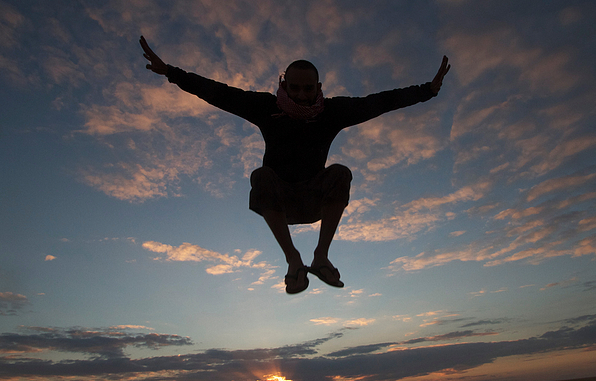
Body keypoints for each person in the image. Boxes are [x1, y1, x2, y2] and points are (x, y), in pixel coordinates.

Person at [140, 36, 450, 294]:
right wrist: (171, 72)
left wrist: (426, 91)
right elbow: (219, 93)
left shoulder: (332, 111)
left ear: (318, 88)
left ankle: (321, 257)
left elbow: (379, 102)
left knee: (340, 172)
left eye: (308, 89)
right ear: (285, 86)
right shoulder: (266, 108)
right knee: (261, 176)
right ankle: (293, 260)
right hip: (280, 202)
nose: (302, 96)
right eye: (295, 88)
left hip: (316, 200)